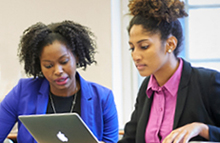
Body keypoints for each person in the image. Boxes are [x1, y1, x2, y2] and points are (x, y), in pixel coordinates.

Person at [118, 0, 220, 143]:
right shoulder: (147, 89)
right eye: (132, 48)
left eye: (144, 46)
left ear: (170, 44)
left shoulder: (208, 82)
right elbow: (130, 139)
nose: (135, 56)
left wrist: (202, 129)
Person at [0, 20, 118, 143]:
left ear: (76, 57)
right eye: (48, 66)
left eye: (64, 61)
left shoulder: (103, 98)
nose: (58, 71)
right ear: (39, 65)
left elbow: (111, 141)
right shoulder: (23, 92)